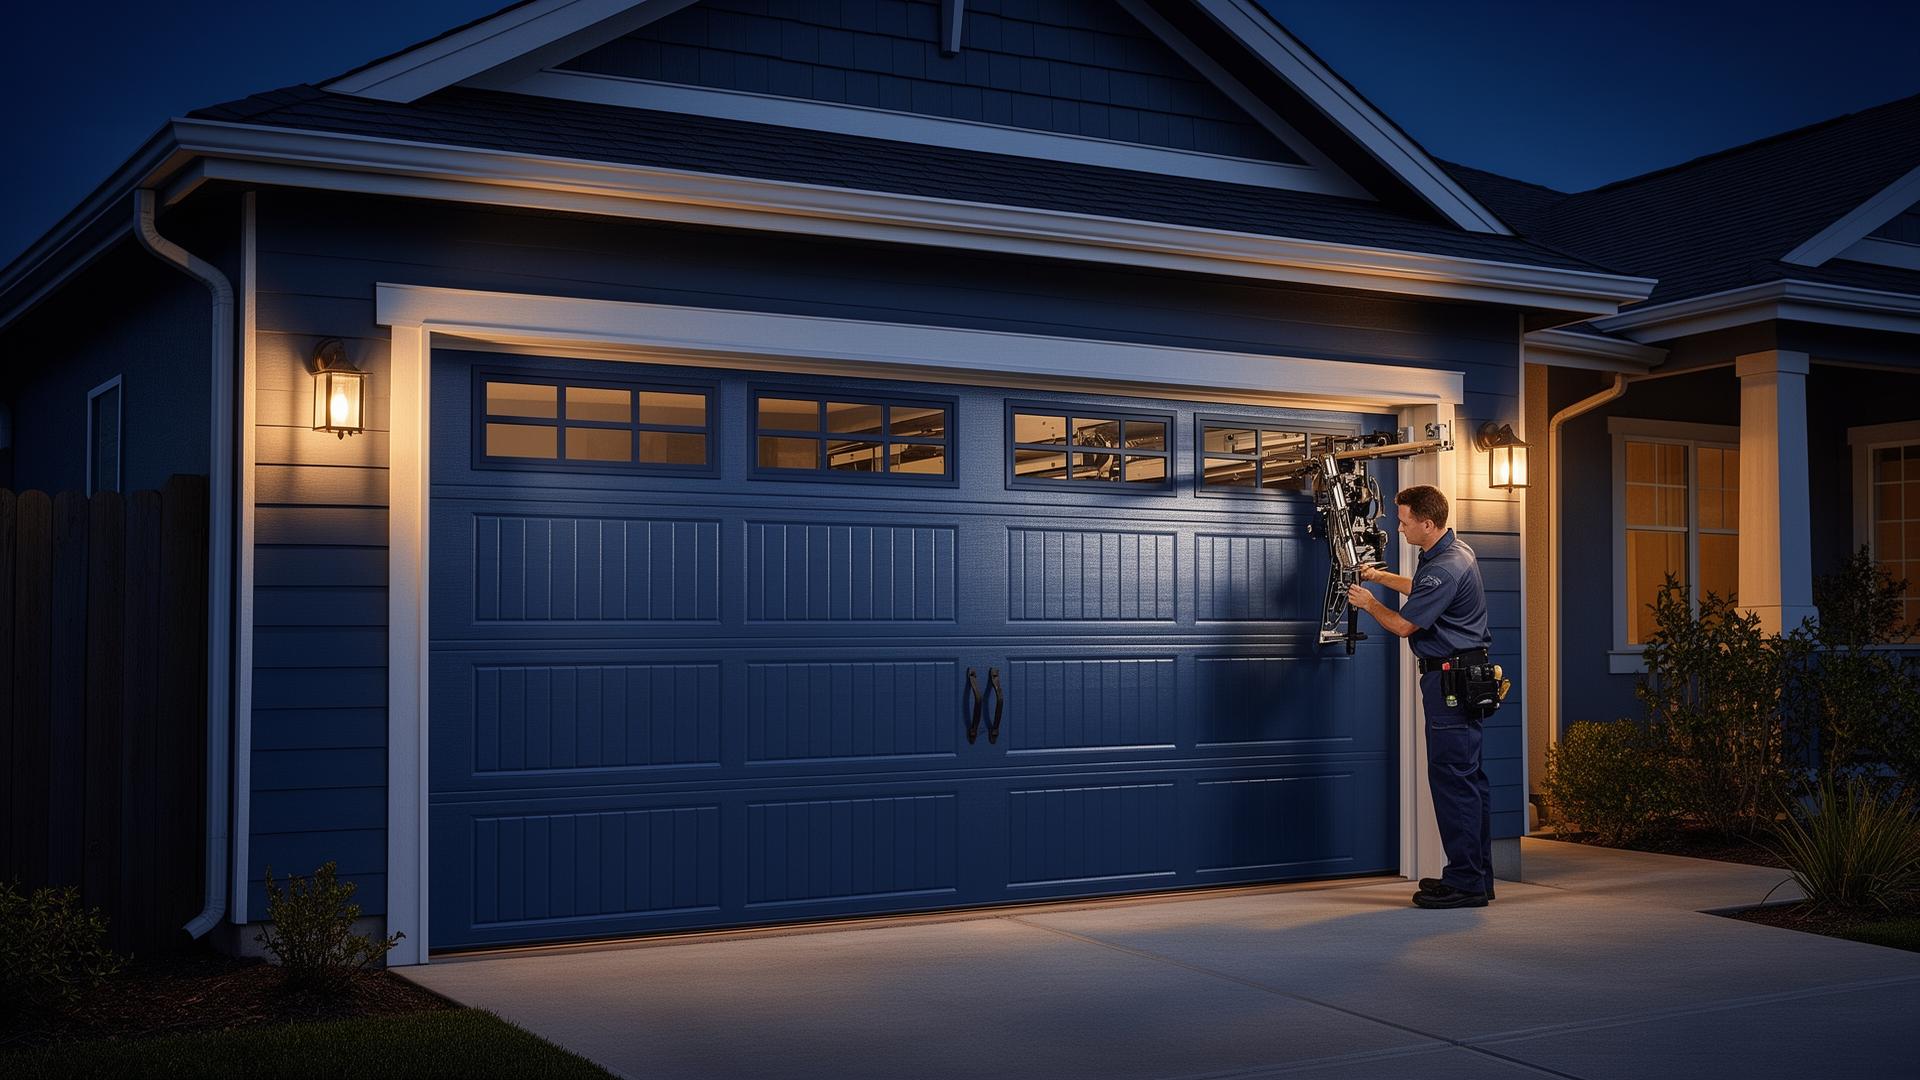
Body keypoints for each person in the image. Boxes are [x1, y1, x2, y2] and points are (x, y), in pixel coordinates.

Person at [1344, 484, 1495, 909]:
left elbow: (1404, 626)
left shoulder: (1443, 567)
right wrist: (1380, 576)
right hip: (1464, 676)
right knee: (1469, 779)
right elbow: (1423, 588)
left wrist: (1370, 602)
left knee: (1453, 780)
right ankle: (1476, 877)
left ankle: (1465, 882)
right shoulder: (1454, 552)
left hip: (1450, 683)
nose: (1399, 525)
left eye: (1405, 520)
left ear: (1427, 523)